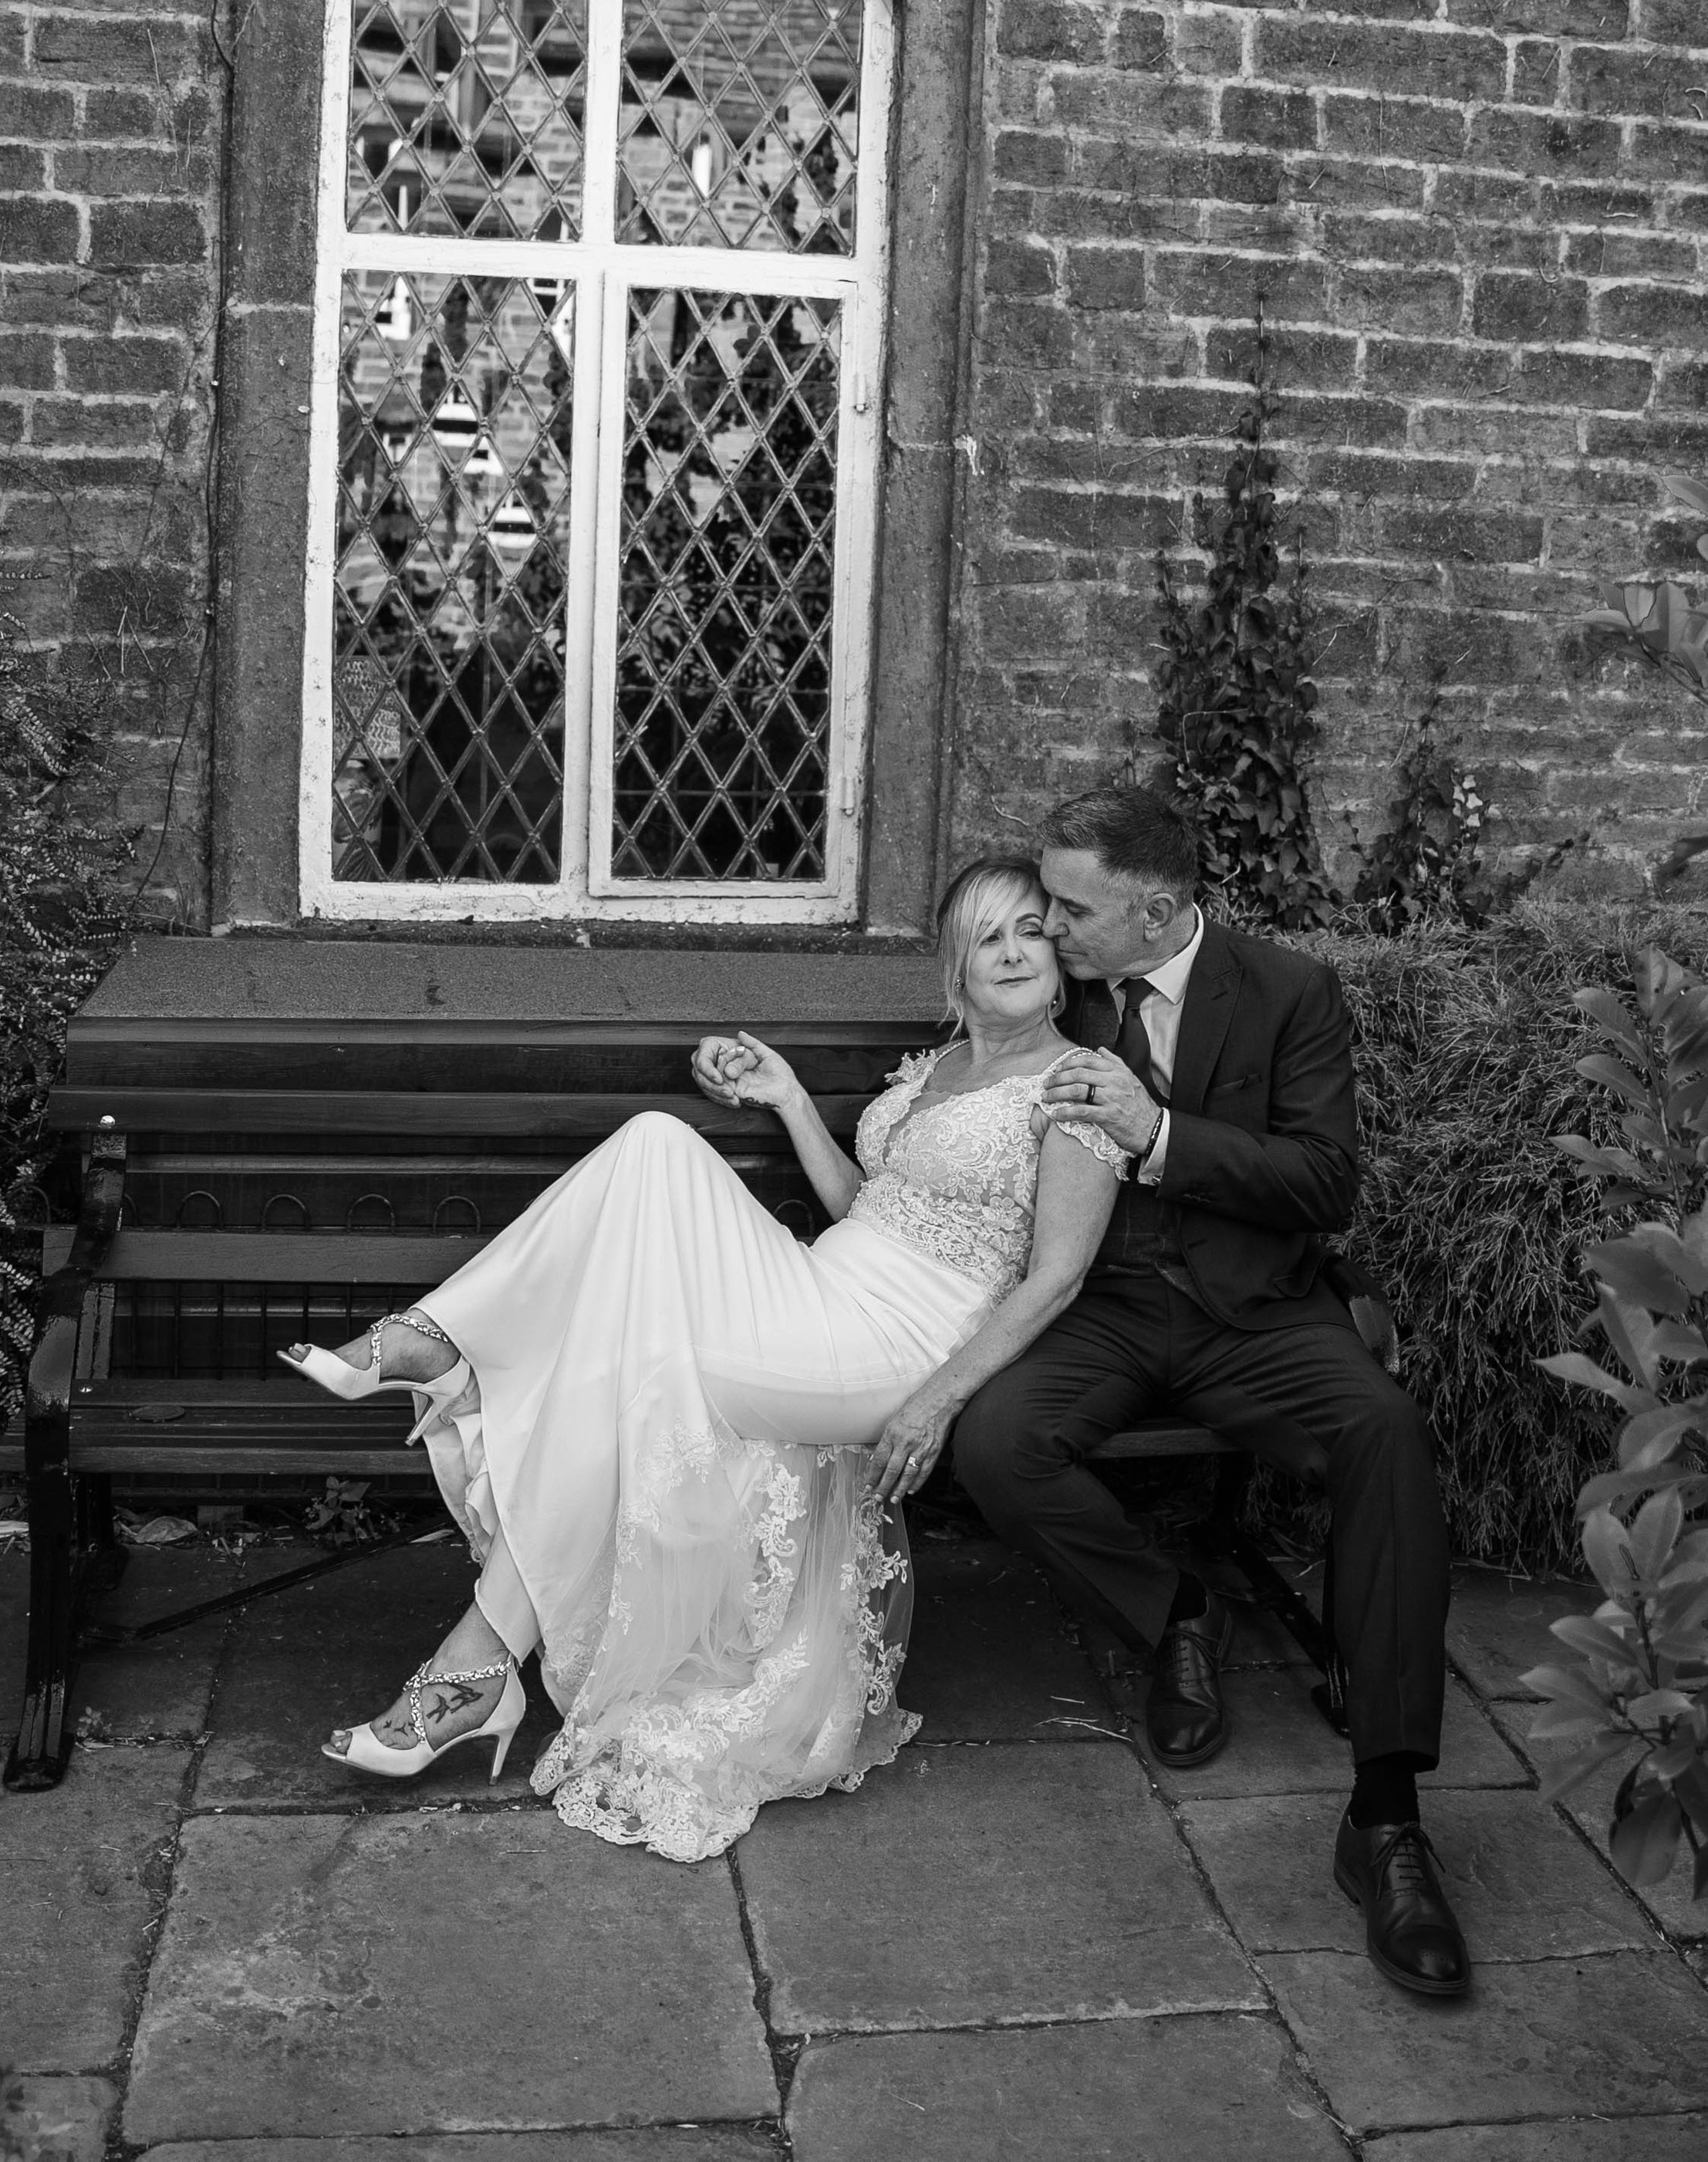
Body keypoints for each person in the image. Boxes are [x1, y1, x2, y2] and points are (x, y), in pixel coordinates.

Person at [281, 856, 1124, 1862]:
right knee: (655, 1142)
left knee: (637, 1360)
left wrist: (936, 1404)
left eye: (1033, 929)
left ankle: (465, 1619)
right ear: (959, 968)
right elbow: (873, 1207)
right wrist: (791, 1100)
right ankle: (449, 1408)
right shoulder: (936, 1073)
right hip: (819, 1291)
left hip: (892, 1350)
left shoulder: (1073, 1088)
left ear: (1060, 960)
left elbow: (1055, 1279)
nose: (1019, 950)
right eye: (992, 937)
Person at [951, 782, 1469, 2000]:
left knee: (1386, 1435)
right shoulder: (1062, 983)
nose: (1048, 926)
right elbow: (961, 1045)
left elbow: (1322, 1182)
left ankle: (1388, 1821)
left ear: (1158, 910)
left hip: (1258, 1313)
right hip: (1108, 1310)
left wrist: (1161, 1132)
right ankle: (1177, 1609)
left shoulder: (1290, 992)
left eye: (1072, 910)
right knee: (997, 1444)